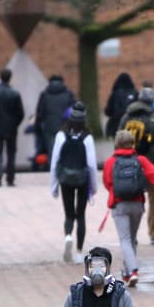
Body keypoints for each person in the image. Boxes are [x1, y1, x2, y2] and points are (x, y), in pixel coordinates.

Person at [104, 129, 154, 287]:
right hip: (137, 204)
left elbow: (107, 182)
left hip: (119, 205)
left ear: (117, 143)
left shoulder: (111, 162)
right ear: (132, 143)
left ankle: (133, 271)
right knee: (132, 239)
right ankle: (127, 271)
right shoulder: (140, 160)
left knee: (125, 239)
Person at [119, 87, 154, 245]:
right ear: (153, 101)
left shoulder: (127, 117)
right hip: (152, 166)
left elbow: (119, 140)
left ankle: (131, 234)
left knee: (132, 199)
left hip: (130, 164)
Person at [50, 102, 97, 263]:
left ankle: (68, 236)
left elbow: (55, 161)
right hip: (82, 178)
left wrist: (54, 185)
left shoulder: (61, 135)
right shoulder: (87, 137)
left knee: (69, 213)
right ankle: (78, 252)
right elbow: (92, 165)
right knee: (81, 214)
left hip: (65, 178)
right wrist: (93, 187)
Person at [0, 67, 25, 187]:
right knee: (11, 153)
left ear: (0, 77)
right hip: (11, 128)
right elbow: (20, 113)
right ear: (10, 78)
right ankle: (10, 179)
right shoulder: (15, 93)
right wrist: (15, 123)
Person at [34, 74, 76, 171]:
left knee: (52, 151)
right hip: (66, 127)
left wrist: (37, 127)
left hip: (49, 127)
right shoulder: (68, 94)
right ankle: (65, 171)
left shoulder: (44, 94)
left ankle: (53, 172)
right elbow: (73, 111)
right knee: (65, 150)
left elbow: (40, 112)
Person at [103, 72, 136, 136]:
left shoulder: (115, 93)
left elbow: (108, 111)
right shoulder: (135, 93)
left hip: (116, 125)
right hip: (133, 125)